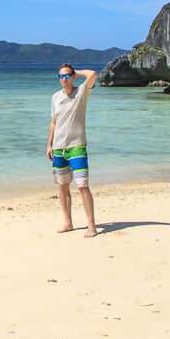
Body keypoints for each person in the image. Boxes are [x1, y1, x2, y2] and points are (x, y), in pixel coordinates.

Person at [46, 63, 98, 236]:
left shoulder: (81, 93)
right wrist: (49, 145)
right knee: (63, 187)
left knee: (82, 186)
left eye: (67, 76)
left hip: (77, 147)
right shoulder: (55, 97)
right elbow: (53, 122)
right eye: (60, 76)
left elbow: (93, 74)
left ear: (73, 77)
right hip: (59, 148)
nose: (63, 79)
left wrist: (76, 72)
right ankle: (68, 222)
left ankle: (91, 225)